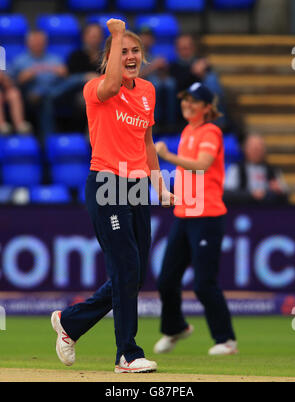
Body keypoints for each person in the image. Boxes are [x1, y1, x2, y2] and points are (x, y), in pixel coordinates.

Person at [51, 19, 175, 373]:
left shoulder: (148, 91)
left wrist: (160, 186)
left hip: (136, 187)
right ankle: (127, 354)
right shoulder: (96, 87)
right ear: (109, 58)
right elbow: (109, 86)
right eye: (123, 52)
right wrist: (117, 34)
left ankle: (70, 322)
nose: (131, 56)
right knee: (126, 267)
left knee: (133, 276)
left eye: (135, 51)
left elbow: (147, 143)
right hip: (107, 181)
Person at [154, 82, 237, 356]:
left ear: (206, 108)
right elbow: (189, 174)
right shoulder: (188, 130)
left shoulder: (211, 131)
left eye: (193, 101)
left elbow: (202, 165)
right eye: (185, 100)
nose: (187, 104)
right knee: (166, 278)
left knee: (204, 283)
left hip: (208, 215)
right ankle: (175, 327)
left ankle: (226, 340)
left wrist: (167, 156)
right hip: (185, 214)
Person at [41, 23, 103, 135]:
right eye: (92, 35)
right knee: (83, 97)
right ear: (84, 37)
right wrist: (85, 77)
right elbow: (68, 80)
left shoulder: (107, 57)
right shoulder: (76, 55)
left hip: (101, 93)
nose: (94, 39)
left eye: (97, 36)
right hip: (76, 93)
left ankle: (92, 132)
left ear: (101, 38)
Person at [11, 30, 67, 137]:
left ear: (45, 43)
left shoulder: (55, 58)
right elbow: (13, 84)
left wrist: (63, 73)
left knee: (70, 84)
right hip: (32, 96)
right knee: (43, 97)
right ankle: (48, 141)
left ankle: (81, 79)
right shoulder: (20, 61)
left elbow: (65, 77)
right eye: (34, 41)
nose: (37, 44)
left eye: (40, 42)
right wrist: (23, 78)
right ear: (28, 43)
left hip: (57, 92)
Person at [169, 34, 227, 130]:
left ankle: (218, 123)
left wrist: (204, 71)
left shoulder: (200, 62)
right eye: (183, 48)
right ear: (177, 50)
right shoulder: (174, 66)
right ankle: (218, 121)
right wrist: (193, 73)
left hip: (203, 96)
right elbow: (179, 84)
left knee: (211, 79)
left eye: (188, 48)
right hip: (184, 97)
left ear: (193, 48)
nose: (186, 51)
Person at [224, 133, 289, 205]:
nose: (256, 152)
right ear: (245, 149)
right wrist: (250, 195)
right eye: (253, 149)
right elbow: (227, 194)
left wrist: (278, 191)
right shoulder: (236, 169)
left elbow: (285, 195)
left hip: (268, 211)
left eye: (259, 149)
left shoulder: (273, 170)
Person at [139, 27, 177, 131]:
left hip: (156, 81)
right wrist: (154, 67)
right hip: (140, 84)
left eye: (149, 37)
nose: (146, 40)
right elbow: (134, 76)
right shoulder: (134, 55)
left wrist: (164, 70)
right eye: (144, 37)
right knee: (154, 85)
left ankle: (171, 122)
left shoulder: (155, 56)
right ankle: (155, 121)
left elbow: (163, 75)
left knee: (170, 83)